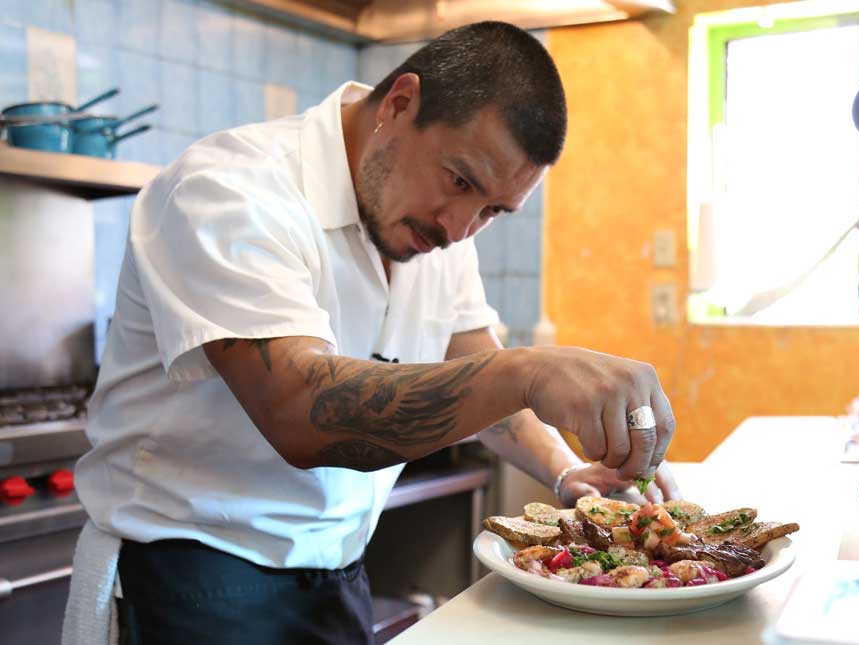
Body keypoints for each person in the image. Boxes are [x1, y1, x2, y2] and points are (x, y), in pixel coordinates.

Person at [62, 21, 677, 645]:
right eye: (460, 181)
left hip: (336, 575)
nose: (461, 227)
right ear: (400, 104)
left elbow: (478, 371)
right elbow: (300, 411)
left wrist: (567, 473)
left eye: (492, 210)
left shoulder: (434, 231)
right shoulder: (230, 189)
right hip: (186, 579)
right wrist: (527, 371)